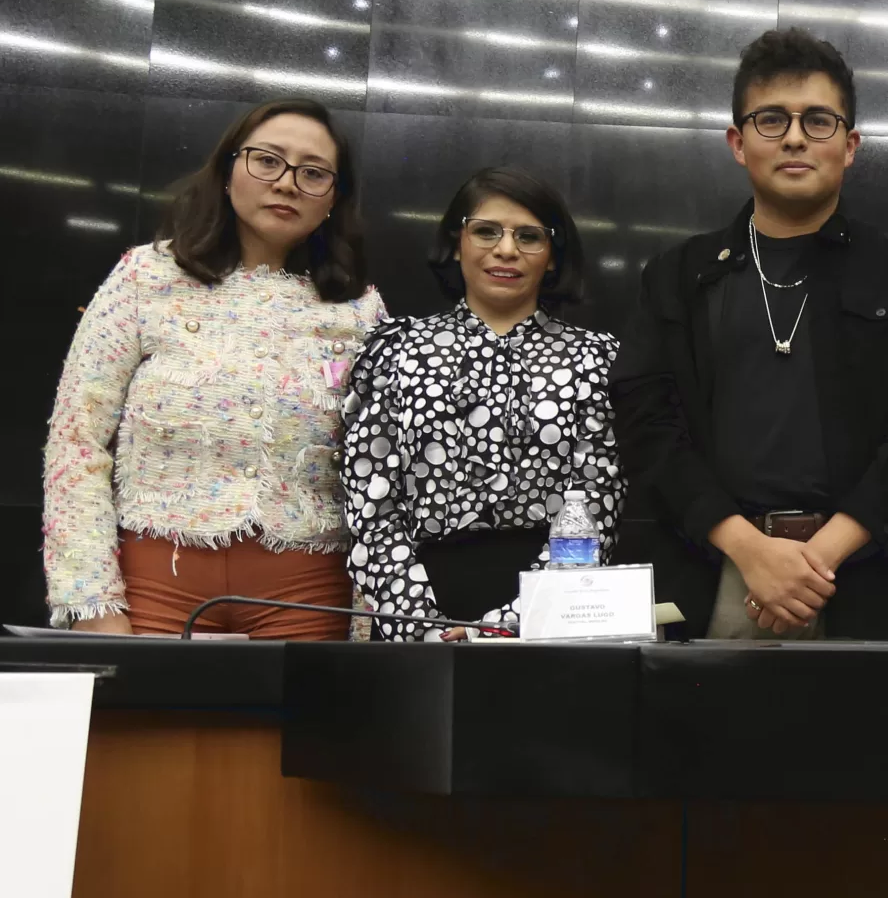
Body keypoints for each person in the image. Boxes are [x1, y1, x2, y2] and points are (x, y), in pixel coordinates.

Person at [612, 28, 888, 639]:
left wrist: (818, 557)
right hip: (716, 571)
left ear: (849, 146)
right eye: (771, 119)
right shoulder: (678, 276)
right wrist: (750, 550)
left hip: (862, 575)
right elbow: (648, 427)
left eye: (818, 121)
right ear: (738, 143)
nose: (795, 137)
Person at [43, 98, 385, 636]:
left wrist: (367, 622)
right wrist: (91, 603)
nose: (287, 183)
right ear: (228, 171)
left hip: (310, 595)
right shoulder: (145, 277)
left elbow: (377, 470)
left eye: (314, 173)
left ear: (333, 199)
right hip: (153, 587)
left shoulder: (360, 309)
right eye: (267, 160)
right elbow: (76, 440)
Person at [340, 167, 623, 639]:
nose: (506, 250)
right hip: (419, 602)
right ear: (457, 243)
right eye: (486, 231)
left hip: (554, 607)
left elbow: (598, 502)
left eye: (529, 236)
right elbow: (370, 501)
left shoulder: (595, 359)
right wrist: (420, 624)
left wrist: (510, 624)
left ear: (553, 256)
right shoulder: (396, 350)